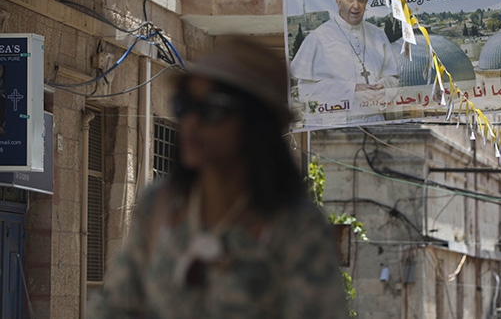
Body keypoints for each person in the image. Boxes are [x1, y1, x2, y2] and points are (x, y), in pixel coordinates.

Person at [88, 35, 349, 319]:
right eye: (183, 106)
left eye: (211, 110)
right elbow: (114, 307)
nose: (190, 123)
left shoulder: (296, 228)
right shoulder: (160, 205)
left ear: (255, 124)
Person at [290, 0, 400, 126]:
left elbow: (393, 78)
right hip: (332, 128)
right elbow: (306, 92)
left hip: (375, 124)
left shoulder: (378, 35)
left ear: (366, 2)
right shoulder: (318, 38)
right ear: (339, 1)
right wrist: (351, 89)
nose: (356, 6)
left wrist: (384, 87)